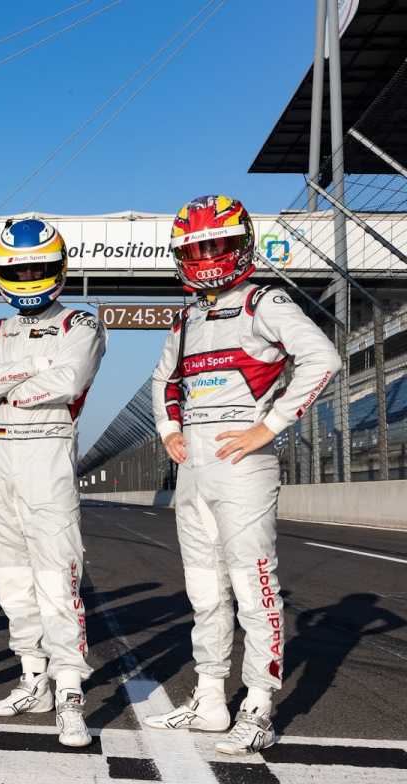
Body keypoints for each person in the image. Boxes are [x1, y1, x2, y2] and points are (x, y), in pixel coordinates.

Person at [145, 195, 340, 755]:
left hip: (242, 464)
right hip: (194, 468)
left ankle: (258, 706)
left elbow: (323, 359)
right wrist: (169, 429)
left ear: (241, 245)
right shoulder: (187, 318)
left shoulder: (264, 301)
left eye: (217, 245)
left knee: (254, 586)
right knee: (205, 590)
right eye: (196, 249)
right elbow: (164, 381)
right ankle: (209, 699)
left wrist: (269, 426)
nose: (207, 258)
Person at [0, 217, 106, 747]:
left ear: (59, 269)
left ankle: (70, 691)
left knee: (57, 576)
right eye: (18, 270)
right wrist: (34, 368)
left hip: (48, 449)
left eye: (37, 269)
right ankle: (32, 678)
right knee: (13, 577)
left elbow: (68, 381)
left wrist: (10, 382)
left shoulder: (82, 324)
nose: (27, 278)